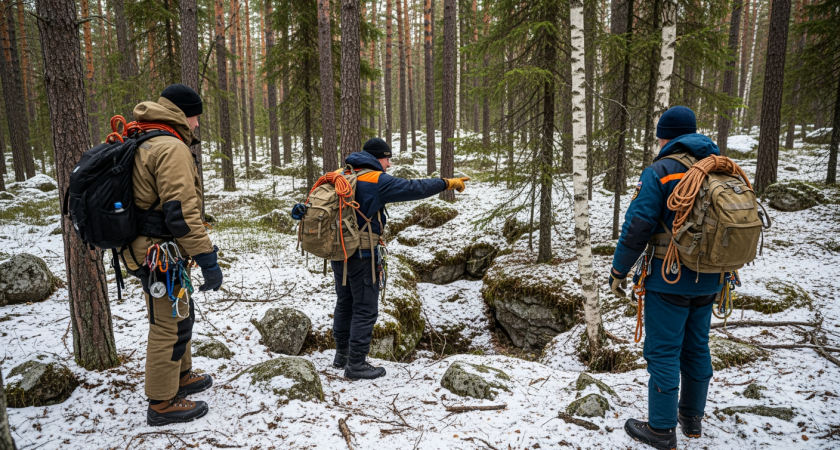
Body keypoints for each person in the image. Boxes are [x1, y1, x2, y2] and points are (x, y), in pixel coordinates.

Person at [610, 106, 724, 450]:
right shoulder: (719, 169)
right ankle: (691, 418)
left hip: (669, 277)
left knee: (663, 352)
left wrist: (619, 270)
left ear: (665, 136)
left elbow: (637, 227)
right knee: (696, 345)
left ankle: (660, 429)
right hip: (712, 277)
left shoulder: (660, 171)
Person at [121, 84, 224, 426]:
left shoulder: (148, 139)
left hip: (156, 248)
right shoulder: (170, 147)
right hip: (156, 254)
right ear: (185, 114)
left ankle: (181, 376)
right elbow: (181, 214)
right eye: (196, 118)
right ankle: (162, 402)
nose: (196, 125)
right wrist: (208, 259)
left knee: (181, 312)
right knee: (166, 324)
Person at [332, 138, 469, 380]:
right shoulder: (376, 180)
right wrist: (447, 183)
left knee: (345, 302)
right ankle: (356, 365)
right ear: (377, 158)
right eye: (387, 159)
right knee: (365, 308)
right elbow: (414, 188)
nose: (390, 164)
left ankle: (341, 355)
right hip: (362, 253)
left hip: (338, 250)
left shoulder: (341, 174)